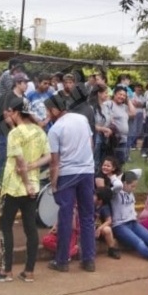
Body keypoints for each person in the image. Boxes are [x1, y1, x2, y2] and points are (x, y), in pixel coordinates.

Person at [0, 97, 51, 283]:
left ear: (15, 112)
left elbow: (20, 161)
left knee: (5, 226)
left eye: (9, 113)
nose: (8, 117)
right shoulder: (39, 131)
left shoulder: (15, 134)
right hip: (32, 188)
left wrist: (25, 176)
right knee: (30, 229)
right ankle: (29, 271)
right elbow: (47, 157)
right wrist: (33, 169)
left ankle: (6, 271)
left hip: (14, 187)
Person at [45, 94, 97, 272]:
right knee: (87, 216)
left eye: (48, 111)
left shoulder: (55, 130)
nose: (47, 114)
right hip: (87, 171)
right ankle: (89, 259)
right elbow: (90, 145)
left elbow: (54, 162)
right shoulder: (82, 119)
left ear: (53, 110)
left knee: (65, 217)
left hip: (67, 174)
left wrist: (53, 183)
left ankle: (62, 261)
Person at [109, 171, 148, 262]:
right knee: (139, 242)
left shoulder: (130, 191)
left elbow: (139, 171)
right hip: (120, 225)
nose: (134, 189)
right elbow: (118, 185)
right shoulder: (116, 192)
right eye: (132, 186)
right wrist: (113, 177)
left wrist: (125, 175)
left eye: (135, 186)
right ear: (125, 183)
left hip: (133, 223)